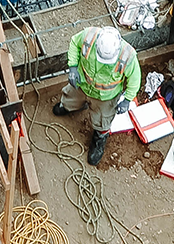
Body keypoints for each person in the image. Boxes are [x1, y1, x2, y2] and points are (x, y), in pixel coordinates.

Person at [55, 26, 142, 165]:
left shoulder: (128, 56)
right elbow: (74, 43)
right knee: (70, 99)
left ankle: (99, 139)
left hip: (105, 97)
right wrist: (72, 67)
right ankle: (69, 106)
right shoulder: (88, 36)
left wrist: (127, 100)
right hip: (82, 84)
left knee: (103, 121)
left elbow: (134, 80)